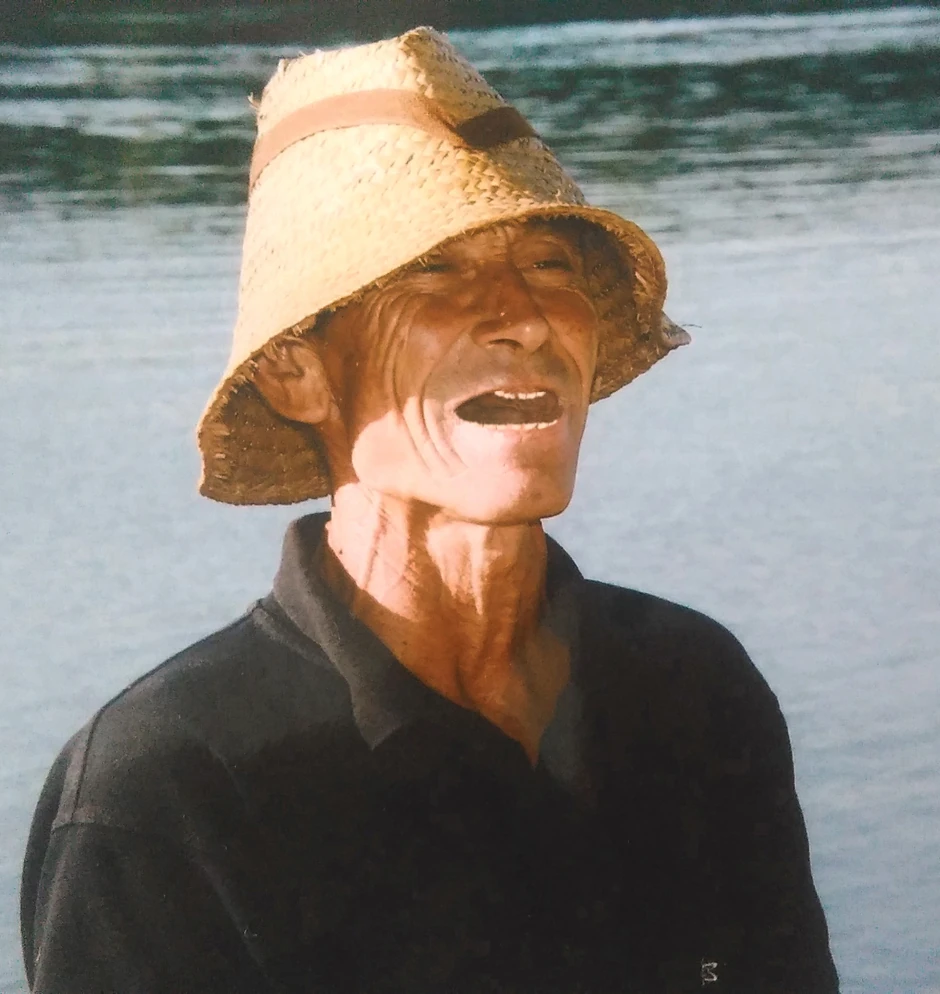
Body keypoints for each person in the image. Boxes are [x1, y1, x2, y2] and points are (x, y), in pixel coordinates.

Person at [20, 27, 839, 994]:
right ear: (296, 371)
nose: (524, 317)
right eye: (434, 270)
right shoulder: (169, 789)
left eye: (550, 263)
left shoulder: (692, 687)